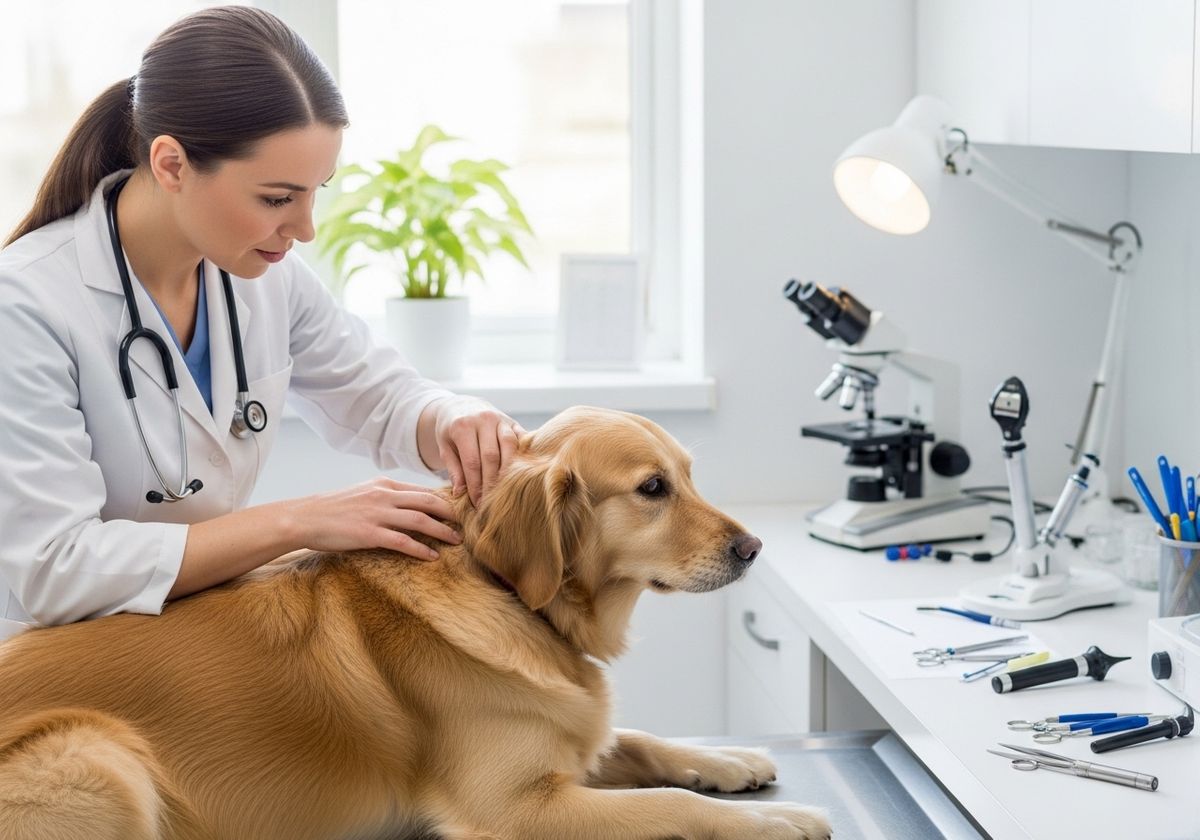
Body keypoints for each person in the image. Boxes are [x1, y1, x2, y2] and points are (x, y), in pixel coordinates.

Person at [0, 6, 525, 634]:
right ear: (171, 164)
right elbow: (54, 569)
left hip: (196, 642)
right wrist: (298, 522)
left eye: (316, 191)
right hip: (57, 663)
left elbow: (380, 397)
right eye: (277, 198)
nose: (304, 229)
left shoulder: (263, 276)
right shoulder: (26, 304)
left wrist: (451, 418)